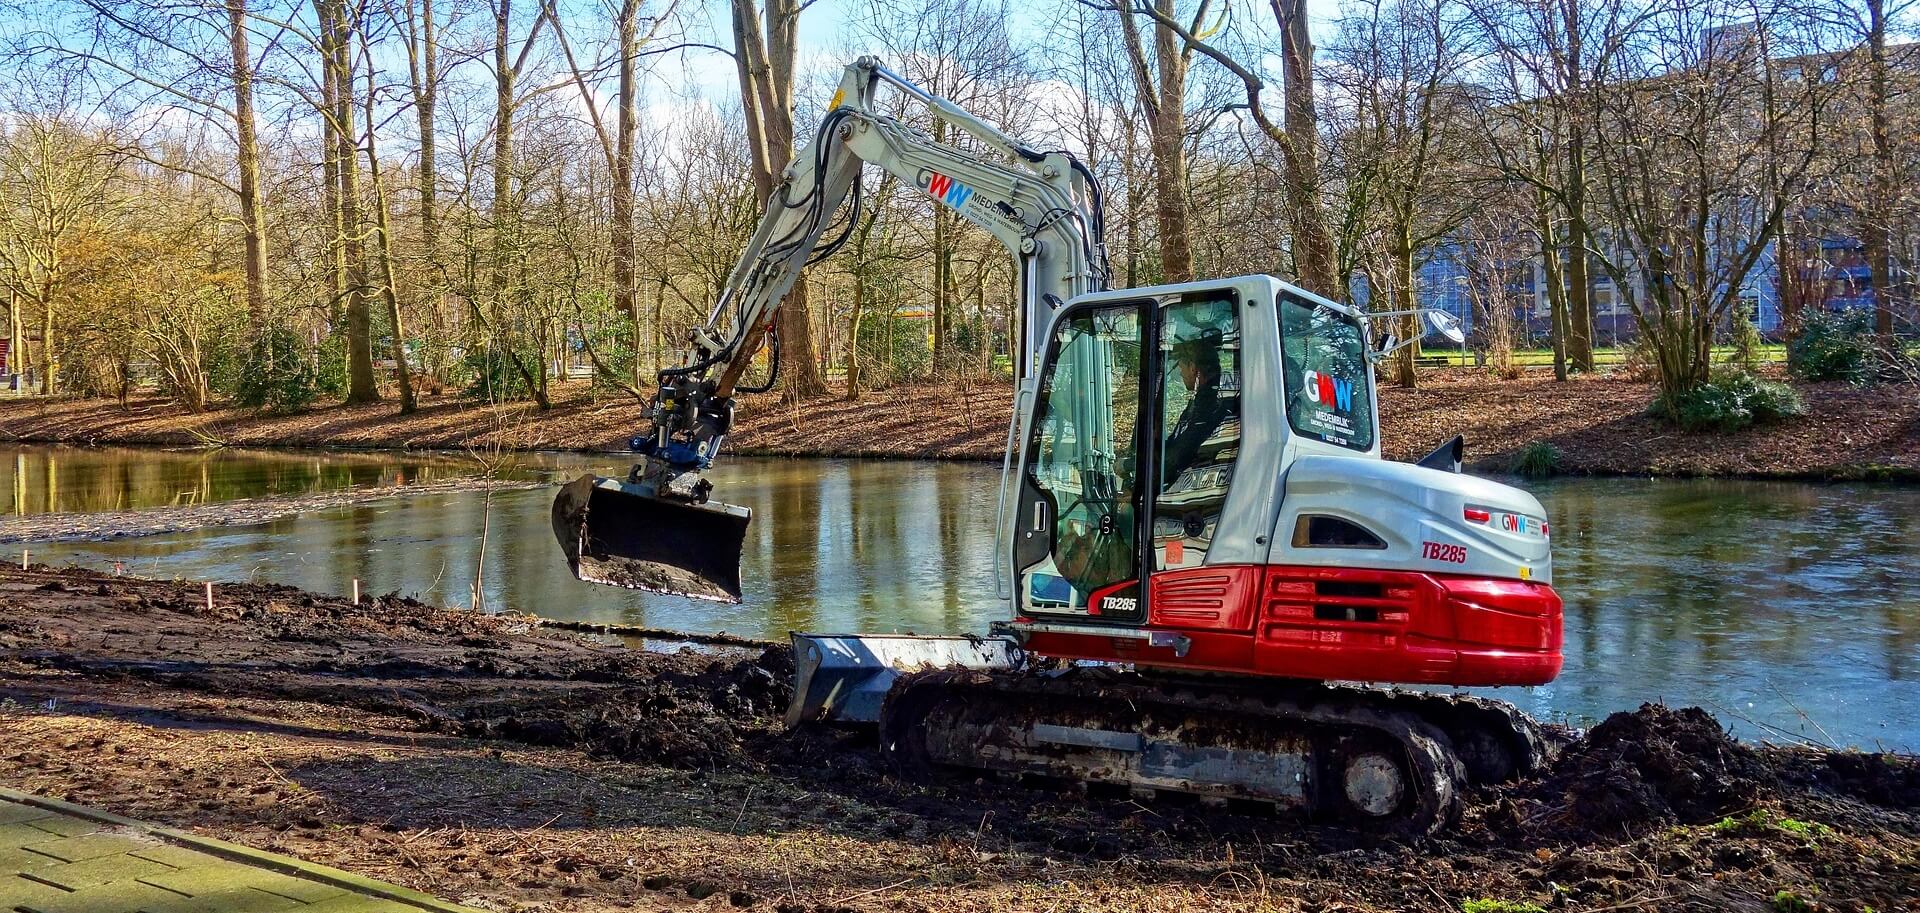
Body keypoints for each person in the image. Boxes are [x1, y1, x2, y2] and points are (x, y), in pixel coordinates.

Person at [1161, 328, 1231, 488]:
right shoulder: (1203, 401)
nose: (1181, 374)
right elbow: (1176, 443)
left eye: (1181, 369)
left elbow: (1180, 454)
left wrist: (1134, 465)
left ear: (1193, 368)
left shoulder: (1209, 407)